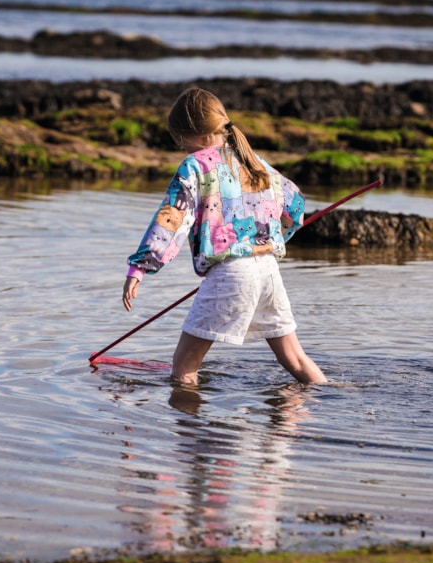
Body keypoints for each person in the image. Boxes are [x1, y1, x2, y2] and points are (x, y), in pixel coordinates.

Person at [122, 86, 326, 385]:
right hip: (268, 270)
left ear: (188, 134)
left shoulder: (195, 165)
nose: (179, 145)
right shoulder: (254, 161)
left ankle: (195, 433)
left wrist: (140, 267)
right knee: (295, 359)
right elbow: (295, 205)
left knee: (184, 368)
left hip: (231, 273)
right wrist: (277, 236)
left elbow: (172, 218)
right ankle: (330, 401)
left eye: (178, 137)